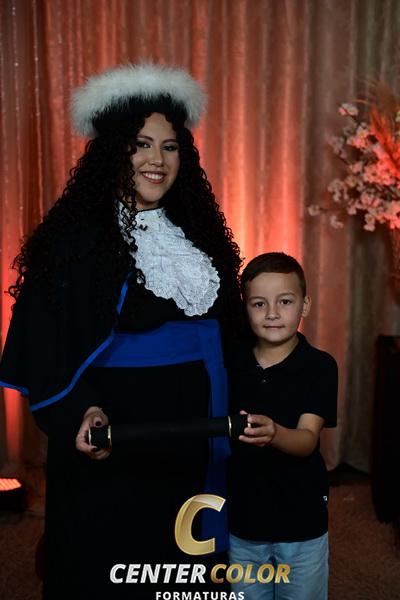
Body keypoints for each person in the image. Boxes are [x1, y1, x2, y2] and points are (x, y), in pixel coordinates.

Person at [0, 62, 242, 599]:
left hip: (196, 422)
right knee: (113, 557)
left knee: (184, 557)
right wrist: (80, 410)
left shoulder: (198, 231)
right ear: (114, 152)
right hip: (119, 424)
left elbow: (226, 328)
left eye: (170, 147)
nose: (157, 159)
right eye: (141, 145)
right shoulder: (75, 239)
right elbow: (48, 344)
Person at [227, 252, 337, 600]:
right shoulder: (230, 362)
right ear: (245, 308)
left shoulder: (320, 367)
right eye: (259, 304)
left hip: (301, 520)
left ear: (305, 305)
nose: (272, 313)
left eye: (285, 301)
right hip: (243, 520)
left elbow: (307, 440)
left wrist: (275, 433)